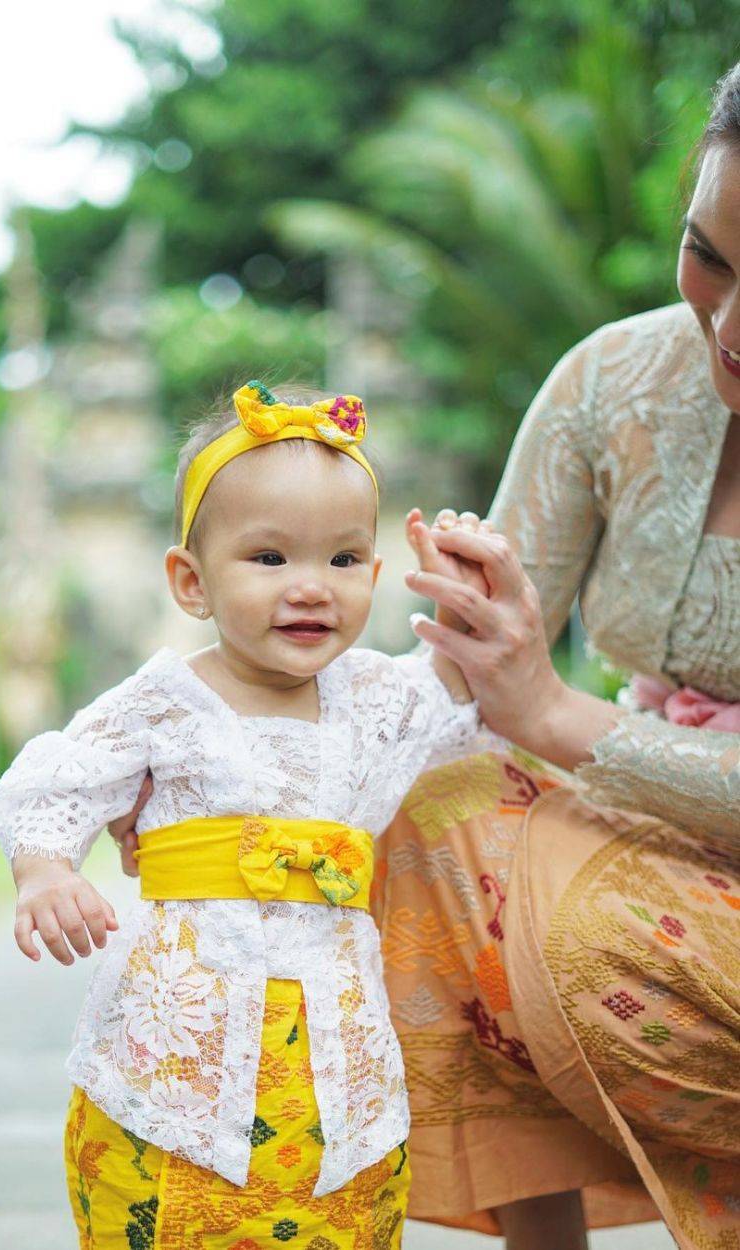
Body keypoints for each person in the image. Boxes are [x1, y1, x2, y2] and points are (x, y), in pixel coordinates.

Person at [0, 381, 491, 1248]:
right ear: (192, 581)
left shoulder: (376, 697)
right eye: (269, 559)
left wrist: (463, 602)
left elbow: (463, 702)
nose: (310, 588)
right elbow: (55, 780)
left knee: (344, 1215)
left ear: (374, 576)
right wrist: (46, 867)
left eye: (341, 561)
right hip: (175, 1048)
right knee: (165, 1211)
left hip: (340, 1053)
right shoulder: (165, 701)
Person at [374, 63, 740, 1250]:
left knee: (575, 920)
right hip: (648, 831)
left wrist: (551, 712)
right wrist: (214, 755)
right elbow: (449, 679)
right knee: (434, 813)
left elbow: (526, 703)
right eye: (711, 257)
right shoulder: (611, 381)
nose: (727, 328)